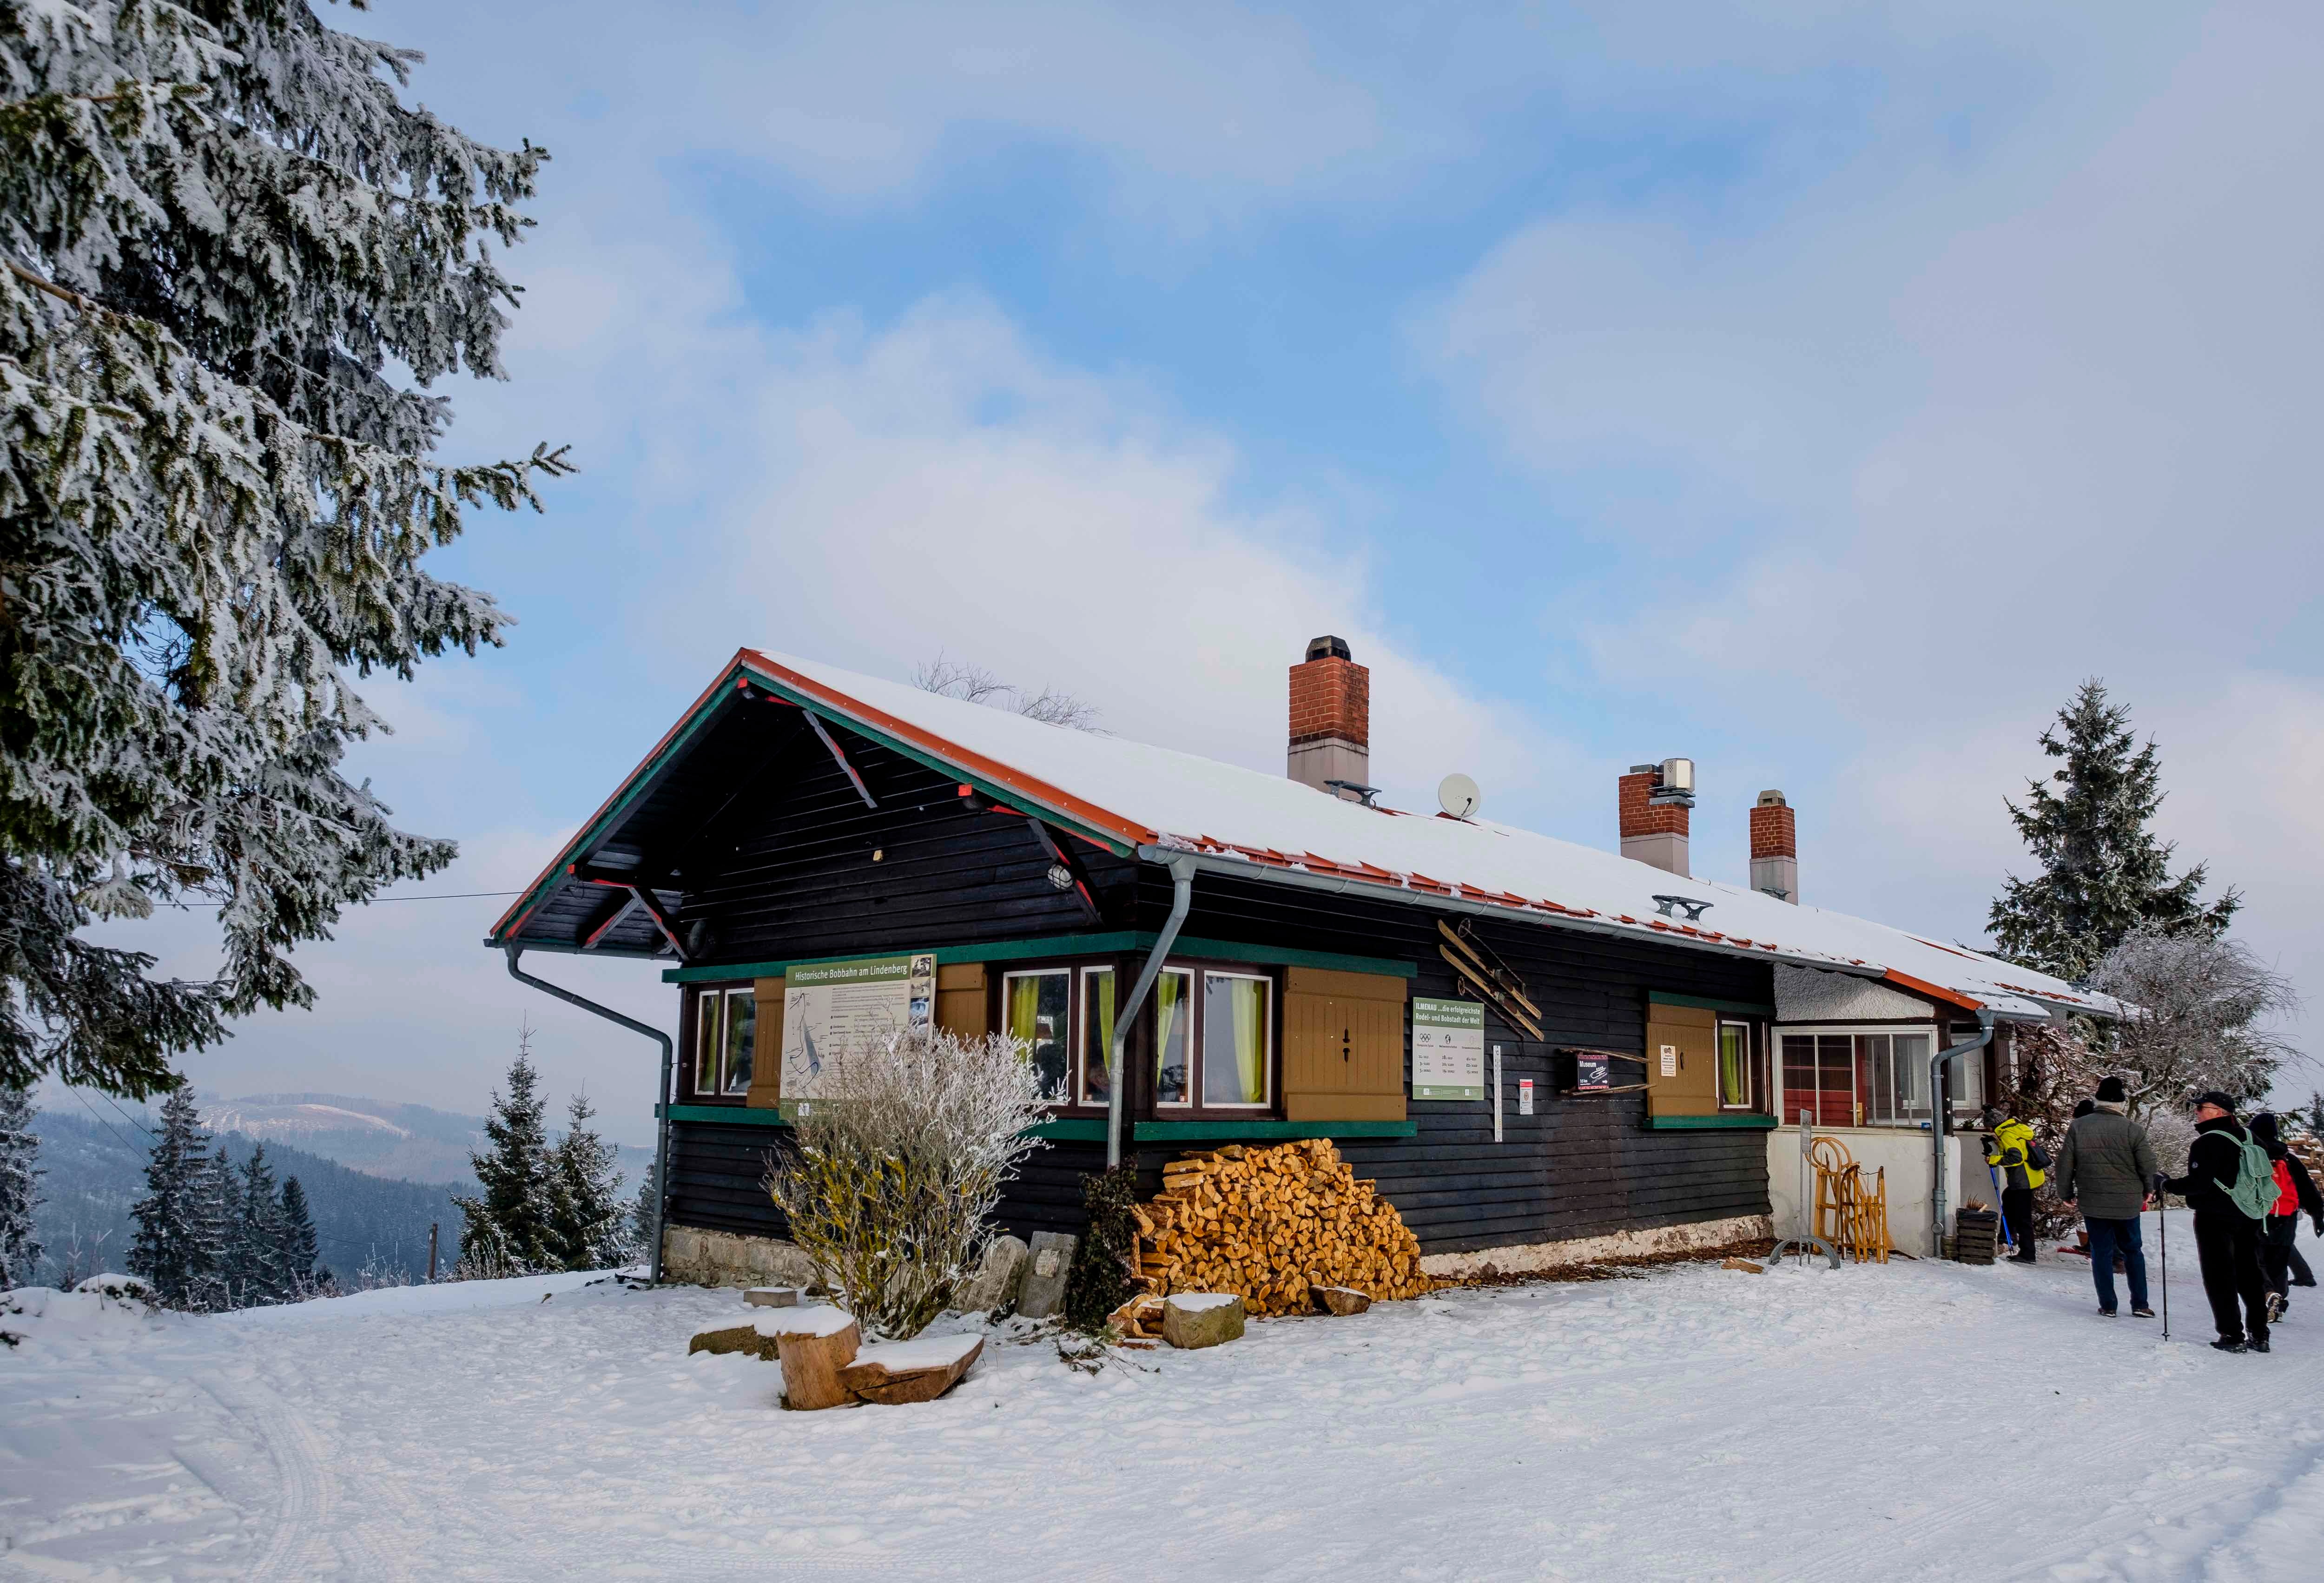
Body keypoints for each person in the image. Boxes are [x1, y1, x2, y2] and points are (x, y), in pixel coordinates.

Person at [2163, 1091, 2272, 1353]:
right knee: (2250, 1274)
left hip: (2215, 1217)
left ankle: (2232, 1335)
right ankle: (2260, 1335)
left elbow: (2199, 1185)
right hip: (2250, 1213)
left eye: (2201, 1107)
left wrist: (2166, 1184)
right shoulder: (2250, 1137)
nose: (2197, 1112)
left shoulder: (2207, 1142)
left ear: (2220, 1112)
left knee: (2219, 1276)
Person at [2053, 1076, 2158, 1318]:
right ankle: (2140, 1304)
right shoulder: (2133, 1129)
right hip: (2127, 1202)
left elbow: (2065, 1164)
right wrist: (2149, 1189)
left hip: (2093, 1200)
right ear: (2122, 1105)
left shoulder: (2079, 1127)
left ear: (2097, 1101)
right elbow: (2147, 1164)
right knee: (2133, 1251)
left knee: (2101, 1252)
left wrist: (2065, 1192)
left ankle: (2108, 1305)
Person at [2247, 1113, 2324, 1322]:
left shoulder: (2250, 1154)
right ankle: (2279, 1302)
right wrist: (2318, 1214)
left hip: (2258, 1215)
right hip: (2286, 1217)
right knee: (2279, 1262)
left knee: (2256, 1260)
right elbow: (2308, 1189)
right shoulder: (2287, 1157)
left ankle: (2269, 1294)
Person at [1983, 1105, 2049, 1264]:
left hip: (2023, 1180)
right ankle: (2009, 1236)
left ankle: (2028, 1254)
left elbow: (2016, 1158)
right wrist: (1996, 1142)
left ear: (1993, 1125)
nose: (1989, 1130)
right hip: (2031, 1177)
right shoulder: (2016, 1129)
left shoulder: (2007, 1135)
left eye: (1989, 1127)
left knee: (2023, 1217)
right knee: (2008, 1197)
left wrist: (1994, 1160)